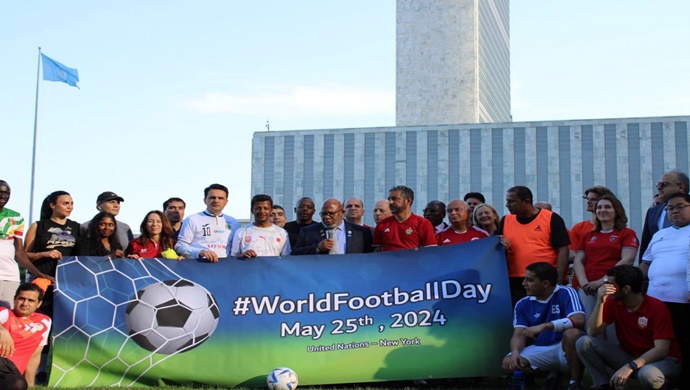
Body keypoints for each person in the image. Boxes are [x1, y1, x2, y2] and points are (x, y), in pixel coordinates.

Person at [576, 265, 682, 390]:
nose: (605, 287)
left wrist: (630, 366)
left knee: (648, 375)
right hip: (630, 356)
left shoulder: (657, 308)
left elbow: (661, 349)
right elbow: (592, 332)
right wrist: (600, 302)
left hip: (662, 360)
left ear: (626, 289)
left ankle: (668, 386)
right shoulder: (612, 301)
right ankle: (604, 385)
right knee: (584, 342)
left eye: (610, 284)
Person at [501, 262, 585, 390]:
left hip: (563, 347)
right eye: (525, 279)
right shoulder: (522, 303)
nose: (524, 284)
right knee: (508, 364)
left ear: (545, 283)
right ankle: (553, 375)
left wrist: (545, 326)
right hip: (541, 348)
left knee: (573, 334)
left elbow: (578, 319)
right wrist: (515, 352)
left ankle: (575, 383)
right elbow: (518, 334)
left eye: (529, 280)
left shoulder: (566, 292)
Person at [572, 195, 638, 345]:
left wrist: (603, 281)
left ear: (617, 210)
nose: (602, 210)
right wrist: (583, 282)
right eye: (599, 207)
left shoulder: (626, 233)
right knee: (592, 327)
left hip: (612, 287)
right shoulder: (589, 235)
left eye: (607, 207)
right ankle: (597, 364)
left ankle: (618, 365)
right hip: (588, 288)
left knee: (612, 329)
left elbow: (627, 260)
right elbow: (578, 260)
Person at [640, 192, 690, 383]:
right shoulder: (659, 235)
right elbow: (645, 264)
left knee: (685, 344)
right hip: (657, 302)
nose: (674, 211)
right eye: (670, 208)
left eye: (680, 206)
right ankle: (664, 379)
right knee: (661, 345)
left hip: (683, 301)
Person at [498, 186, 570, 306]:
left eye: (511, 201)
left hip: (543, 280)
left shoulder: (551, 218)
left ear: (526, 201)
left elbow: (563, 249)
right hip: (515, 280)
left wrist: (559, 279)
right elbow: (497, 248)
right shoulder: (506, 220)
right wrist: (502, 246)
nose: (507, 205)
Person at [23, 191, 80, 316]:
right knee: (39, 315)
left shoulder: (77, 227)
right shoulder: (38, 226)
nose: (70, 207)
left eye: (71, 203)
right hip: (41, 280)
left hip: (66, 284)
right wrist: (44, 254)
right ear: (52, 205)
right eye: (65, 203)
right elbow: (23, 255)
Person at [0, 181, 53, 309]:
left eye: (6, 193)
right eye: (0, 192)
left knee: (7, 315)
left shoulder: (16, 217)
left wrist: (39, 273)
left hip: (8, 274)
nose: (3, 196)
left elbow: (19, 252)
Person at [0, 283, 51, 389]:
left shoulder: (44, 322)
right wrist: (2, 330)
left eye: (31, 301)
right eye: (21, 299)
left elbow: (35, 355)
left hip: (11, 372)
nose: (25, 303)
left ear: (39, 304)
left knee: (19, 384)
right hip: (1, 361)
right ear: (14, 299)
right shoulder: (5, 313)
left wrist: (30, 384)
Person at [175, 184, 241, 262]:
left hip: (225, 268)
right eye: (212, 197)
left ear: (226, 202)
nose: (216, 200)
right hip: (199, 266)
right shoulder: (192, 219)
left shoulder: (234, 223)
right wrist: (200, 252)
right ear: (205, 200)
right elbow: (180, 246)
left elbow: (237, 250)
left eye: (220, 198)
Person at [639, 170, 689, 264]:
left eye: (664, 184)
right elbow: (646, 243)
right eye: (658, 184)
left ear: (681, 187)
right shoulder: (652, 212)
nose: (658, 188)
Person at [292, 198, 372, 255]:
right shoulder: (308, 231)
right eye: (324, 214)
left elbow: (369, 256)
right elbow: (295, 253)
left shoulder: (361, 232)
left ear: (342, 213)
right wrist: (317, 248)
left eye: (331, 213)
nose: (327, 217)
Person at [373, 186, 436, 252]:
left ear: (408, 200)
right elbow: (377, 251)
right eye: (389, 199)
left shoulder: (423, 223)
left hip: (412, 261)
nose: (390, 202)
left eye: (394, 199)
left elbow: (430, 251)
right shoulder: (382, 224)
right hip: (388, 261)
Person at [569, 186, 614, 262]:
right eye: (587, 199)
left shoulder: (616, 227)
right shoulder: (579, 227)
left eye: (593, 199)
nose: (588, 201)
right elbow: (571, 254)